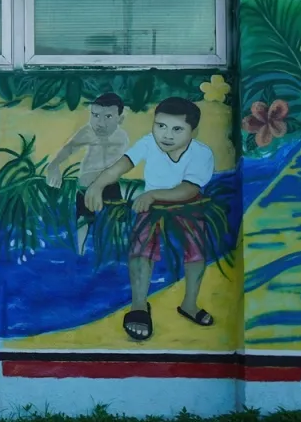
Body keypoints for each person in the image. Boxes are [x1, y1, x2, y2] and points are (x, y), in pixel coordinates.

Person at [83, 97, 215, 343]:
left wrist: (152, 194)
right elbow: (120, 166)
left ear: (193, 131)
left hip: (188, 205)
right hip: (150, 205)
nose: (167, 135)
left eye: (177, 129)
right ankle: (139, 307)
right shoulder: (148, 143)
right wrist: (97, 185)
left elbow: (187, 189)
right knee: (140, 250)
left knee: (196, 251)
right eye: (160, 126)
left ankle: (189, 304)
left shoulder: (201, 153)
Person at [46, 93, 131, 255]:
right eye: (95, 115)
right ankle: (80, 252)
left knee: (119, 218)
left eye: (108, 116)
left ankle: (120, 251)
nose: (100, 122)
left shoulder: (122, 137)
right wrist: (54, 166)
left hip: (110, 184)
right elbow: (68, 149)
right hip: (85, 186)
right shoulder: (88, 132)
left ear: (120, 119)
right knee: (83, 220)